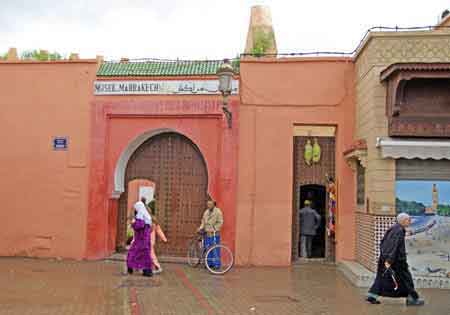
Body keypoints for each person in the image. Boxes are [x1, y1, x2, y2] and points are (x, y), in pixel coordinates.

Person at [367, 213, 424, 306]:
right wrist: (389, 260)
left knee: (382, 278)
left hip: (387, 259)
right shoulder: (399, 230)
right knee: (407, 280)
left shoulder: (394, 228)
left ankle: (372, 296)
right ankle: (413, 299)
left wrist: (386, 258)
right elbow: (394, 246)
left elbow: (383, 242)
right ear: (403, 221)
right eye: (408, 220)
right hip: (396, 261)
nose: (410, 222)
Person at [126, 200, 153, 277]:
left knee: (132, 253)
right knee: (145, 256)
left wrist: (133, 223)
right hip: (145, 240)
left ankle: (130, 268)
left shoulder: (140, 215)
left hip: (140, 240)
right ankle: (147, 271)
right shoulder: (147, 216)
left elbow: (139, 226)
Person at [198, 199, 223, 270]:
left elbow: (220, 222)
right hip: (207, 233)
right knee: (207, 248)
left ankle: (216, 264)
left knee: (215, 249)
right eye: (208, 204)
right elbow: (203, 221)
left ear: (214, 204)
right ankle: (208, 264)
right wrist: (200, 228)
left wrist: (214, 229)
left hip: (214, 234)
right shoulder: (206, 212)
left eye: (210, 204)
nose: (208, 205)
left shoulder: (218, 212)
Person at [147, 199, 168, 274]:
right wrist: (164, 238)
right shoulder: (153, 220)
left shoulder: (148, 220)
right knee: (148, 254)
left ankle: (158, 266)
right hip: (151, 241)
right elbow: (159, 230)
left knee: (151, 254)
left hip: (148, 241)